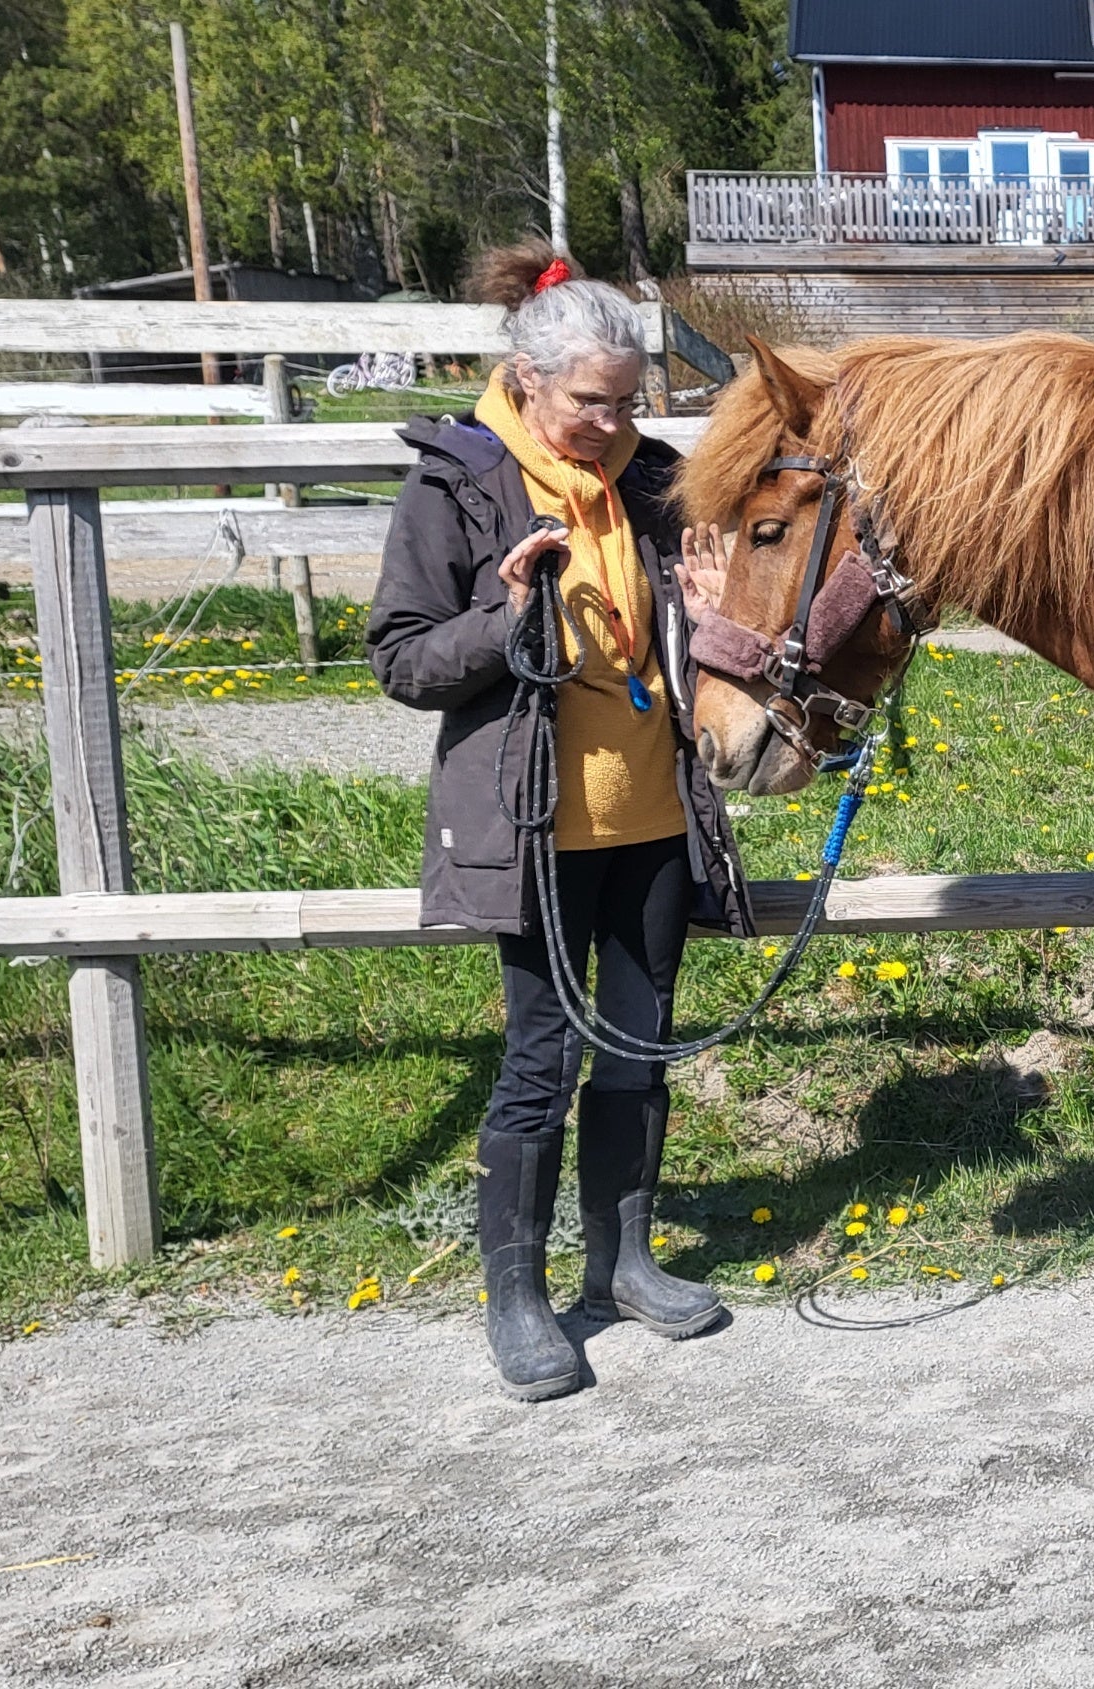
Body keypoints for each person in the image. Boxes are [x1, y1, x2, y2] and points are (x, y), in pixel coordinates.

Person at [367, 242, 751, 1400]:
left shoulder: (649, 479)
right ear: (527, 381)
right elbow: (401, 658)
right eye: (594, 402)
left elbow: (708, 650)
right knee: (542, 1060)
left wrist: (718, 619)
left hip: (653, 820)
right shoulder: (459, 482)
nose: (614, 421)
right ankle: (519, 1297)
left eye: (629, 401)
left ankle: (626, 1263)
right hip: (534, 832)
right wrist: (505, 615)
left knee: (640, 1046)